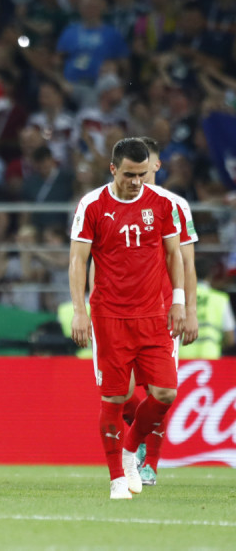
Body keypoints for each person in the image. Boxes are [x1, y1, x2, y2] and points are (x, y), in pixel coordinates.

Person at [69, 138, 193, 500]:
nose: (135, 181)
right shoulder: (92, 204)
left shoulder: (163, 204)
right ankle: (116, 480)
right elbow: (79, 260)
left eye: (141, 174)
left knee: (166, 393)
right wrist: (80, 310)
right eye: (128, 174)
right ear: (113, 170)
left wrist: (180, 302)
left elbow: (175, 256)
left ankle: (129, 450)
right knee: (116, 398)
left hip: (154, 315)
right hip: (110, 316)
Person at [120, 136, 198, 487]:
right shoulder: (110, 202)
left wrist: (188, 308)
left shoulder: (174, 204)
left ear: (156, 165)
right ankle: (136, 441)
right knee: (121, 393)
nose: (140, 172)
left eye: (147, 164)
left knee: (160, 391)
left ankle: (149, 462)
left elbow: (186, 261)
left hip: (165, 311)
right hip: (120, 312)